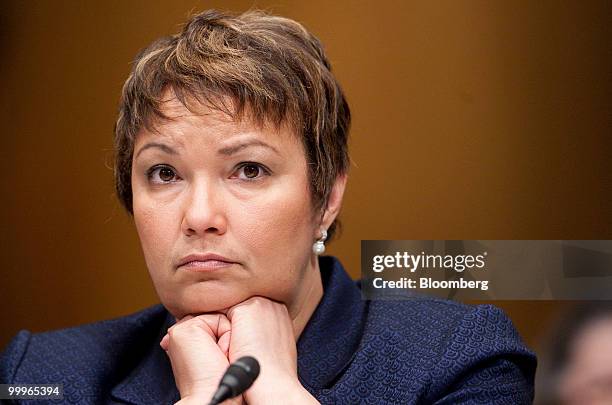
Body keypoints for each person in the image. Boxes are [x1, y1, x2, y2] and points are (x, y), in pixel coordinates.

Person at [0, 9, 536, 404]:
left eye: (248, 170)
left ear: (326, 197)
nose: (199, 215)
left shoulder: (455, 363)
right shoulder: (42, 377)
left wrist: (276, 390)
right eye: (164, 173)